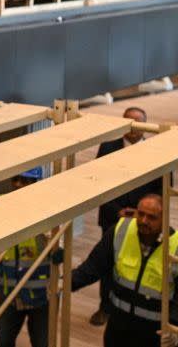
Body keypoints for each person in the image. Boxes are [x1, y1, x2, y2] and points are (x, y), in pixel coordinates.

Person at [73, 193, 178, 347]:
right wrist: (65, 282)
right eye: (140, 214)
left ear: (164, 218)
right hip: (118, 327)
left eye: (152, 217)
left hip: (154, 333)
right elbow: (93, 266)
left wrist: (174, 328)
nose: (143, 221)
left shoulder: (175, 248)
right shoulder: (121, 231)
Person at [90, 107, 163, 326]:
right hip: (112, 217)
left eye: (137, 123)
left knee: (139, 265)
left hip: (145, 221)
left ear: (146, 126)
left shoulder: (156, 152)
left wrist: (140, 213)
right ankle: (105, 307)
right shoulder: (108, 147)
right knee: (108, 262)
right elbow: (97, 182)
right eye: (128, 123)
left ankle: (133, 309)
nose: (132, 128)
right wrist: (117, 211)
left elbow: (162, 189)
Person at [0, 168, 54, 347]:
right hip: (9, 293)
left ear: (35, 183)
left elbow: (61, 244)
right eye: (15, 179)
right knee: (2, 342)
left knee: (42, 342)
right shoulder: (0, 208)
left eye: (24, 181)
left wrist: (59, 252)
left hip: (41, 297)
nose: (18, 184)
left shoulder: (49, 212)